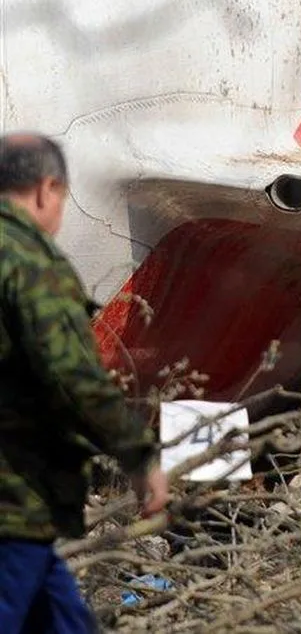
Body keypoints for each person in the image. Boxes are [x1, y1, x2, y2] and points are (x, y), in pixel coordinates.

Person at [0, 134, 168, 631]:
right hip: (14, 498)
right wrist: (138, 455)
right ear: (45, 190)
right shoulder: (29, 265)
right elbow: (73, 375)